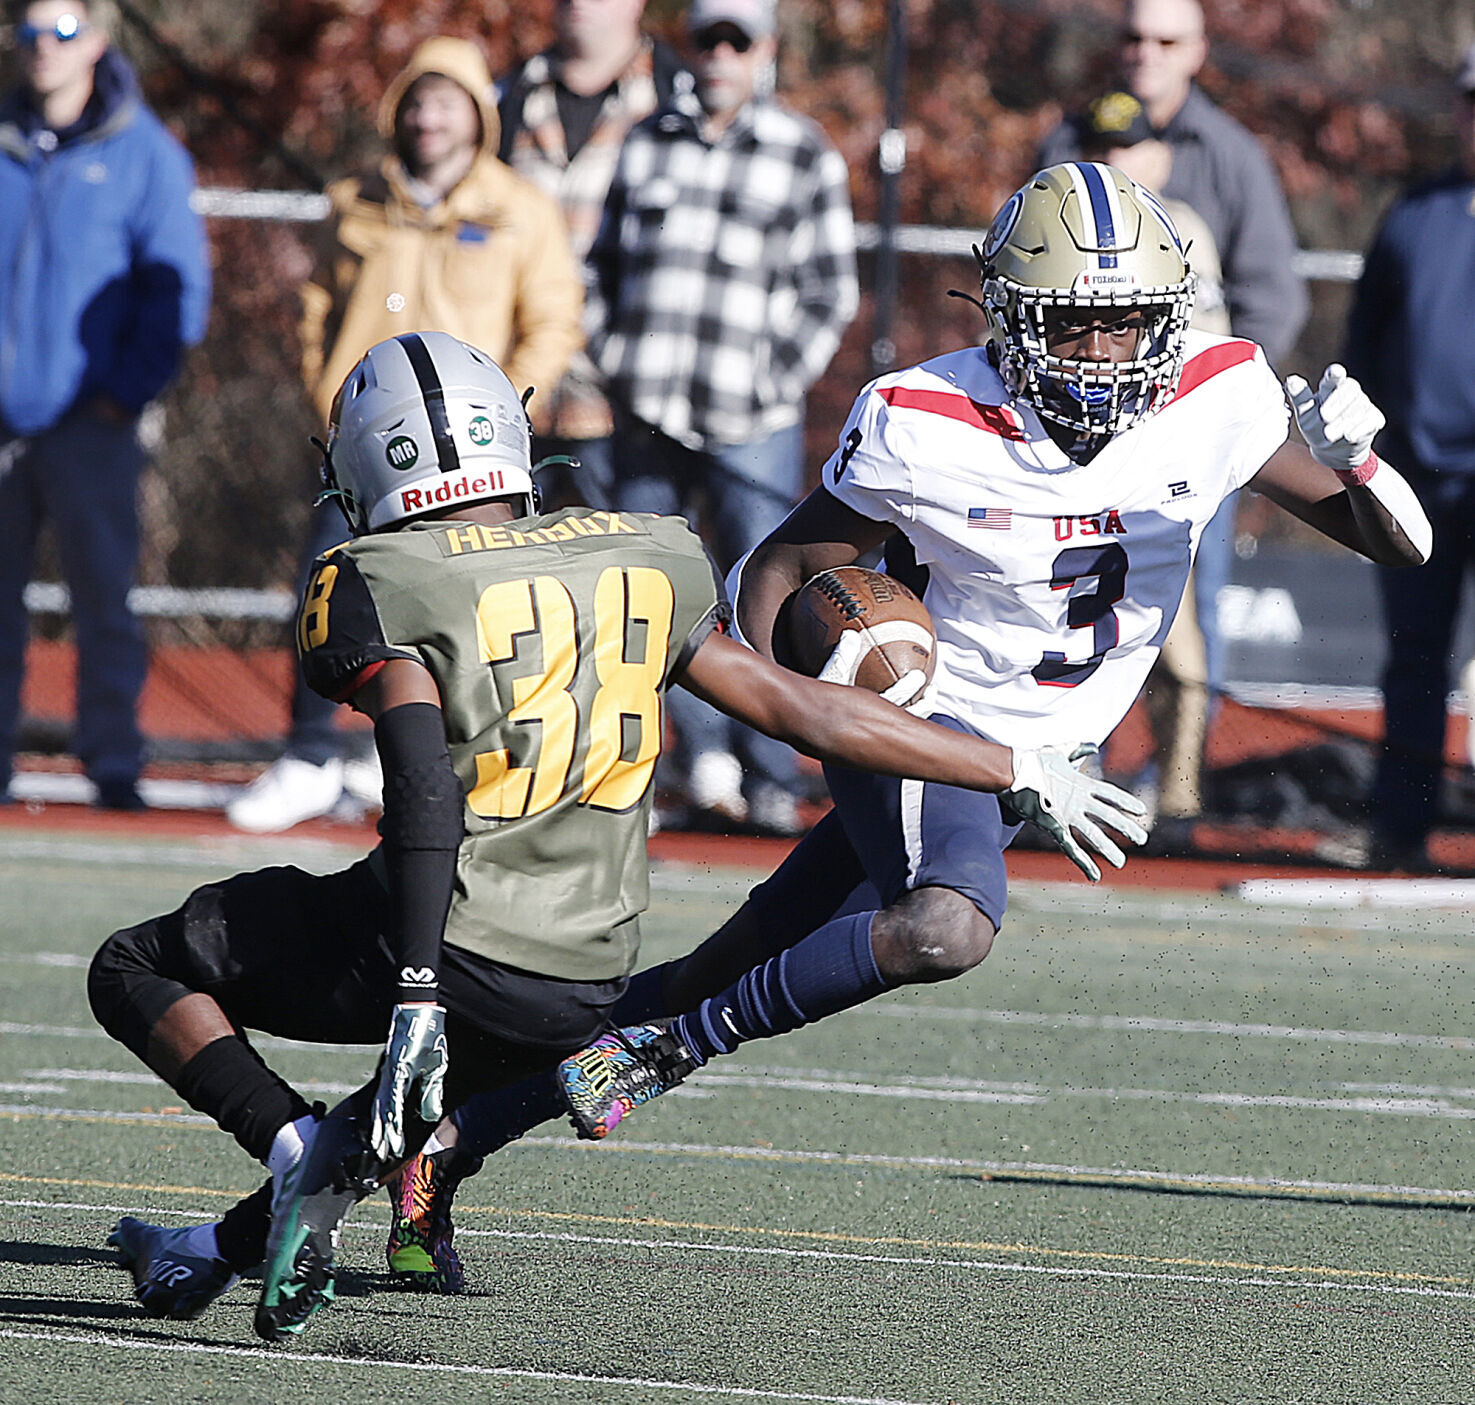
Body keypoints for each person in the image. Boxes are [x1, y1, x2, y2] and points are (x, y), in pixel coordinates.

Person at [359, 162, 1434, 1291]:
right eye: (1079, 326)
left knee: (728, 958)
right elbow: (773, 573)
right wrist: (818, 711)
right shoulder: (924, 419)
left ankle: (426, 1139)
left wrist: (1358, 458)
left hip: (1039, 766)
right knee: (945, 926)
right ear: (1013, 321)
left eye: (1131, 323)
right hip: (933, 729)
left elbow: (1394, 545)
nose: (1110, 353)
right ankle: (669, 1053)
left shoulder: (1217, 394)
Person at [92, 331, 1148, 1334]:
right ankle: (210, 1247)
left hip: (441, 941)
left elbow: (422, 788)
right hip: (585, 982)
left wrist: (414, 986)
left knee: (134, 963)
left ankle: (292, 1154)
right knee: (406, 1110)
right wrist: (1010, 763)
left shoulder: (377, 579)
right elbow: (807, 711)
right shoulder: (641, 554)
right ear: (514, 430)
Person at [226, 36, 584, 833]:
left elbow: (554, 320)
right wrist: (329, 394)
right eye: (416, 100)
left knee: (479, 608)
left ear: (478, 116)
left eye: (447, 100)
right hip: (365, 450)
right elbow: (317, 305)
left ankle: (474, 766)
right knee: (330, 585)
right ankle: (311, 755)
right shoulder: (355, 198)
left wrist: (509, 413)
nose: (428, 117)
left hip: (472, 454)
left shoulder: (520, 208)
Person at [587, 0, 860, 836]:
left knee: (761, 595)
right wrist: (616, 359)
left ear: (765, 51)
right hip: (650, 412)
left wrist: (772, 379)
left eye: (736, 40)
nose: (720, 54)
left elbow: (830, 291)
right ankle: (695, 763)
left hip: (753, 420)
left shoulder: (803, 151)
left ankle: (770, 770)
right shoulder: (643, 141)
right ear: (687, 47)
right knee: (659, 592)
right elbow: (596, 266)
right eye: (707, 38)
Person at [1038, 0, 1310, 744]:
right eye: (1131, 36)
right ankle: (1060, 763)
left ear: (1197, 50)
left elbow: (1273, 301)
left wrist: (1223, 407)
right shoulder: (1063, 137)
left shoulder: (1221, 164)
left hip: (1182, 434)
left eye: (1166, 39)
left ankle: (1177, 792)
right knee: (1057, 597)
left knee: (1183, 610)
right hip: (1068, 431)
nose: (1145, 52)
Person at [0, 0, 210, 810]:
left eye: (59, 32)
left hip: (92, 427)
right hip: (5, 428)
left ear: (93, 40)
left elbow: (176, 289)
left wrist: (122, 397)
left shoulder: (145, 154)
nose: (40, 50)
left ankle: (113, 760)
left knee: (103, 601)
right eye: (27, 34)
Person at [1076, 88, 1228, 849]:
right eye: (1100, 145)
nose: (1114, 161)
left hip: (1163, 463)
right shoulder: (1053, 221)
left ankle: (1177, 797)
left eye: (1129, 145)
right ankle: (1072, 779)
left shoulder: (1182, 229)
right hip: (1067, 461)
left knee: (1176, 634)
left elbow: (1207, 354)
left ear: (1158, 155)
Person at [1340, 42, 1475, 872]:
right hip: (1420, 475)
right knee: (1415, 654)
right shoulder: (1414, 213)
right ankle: (1400, 831)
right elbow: (1364, 337)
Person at [497, 0, 691, 512]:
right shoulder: (507, 96)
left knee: (633, 579)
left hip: (629, 405)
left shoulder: (677, 94)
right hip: (515, 395)